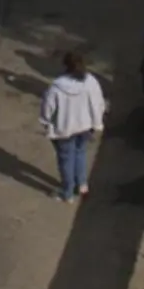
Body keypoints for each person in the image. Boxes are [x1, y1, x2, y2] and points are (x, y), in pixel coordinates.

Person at [39, 50, 106, 202]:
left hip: (64, 129)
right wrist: (96, 123)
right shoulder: (91, 82)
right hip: (85, 127)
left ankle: (67, 192)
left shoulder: (56, 87)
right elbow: (98, 103)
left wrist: (46, 122)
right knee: (80, 153)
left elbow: (47, 109)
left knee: (66, 160)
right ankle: (81, 184)